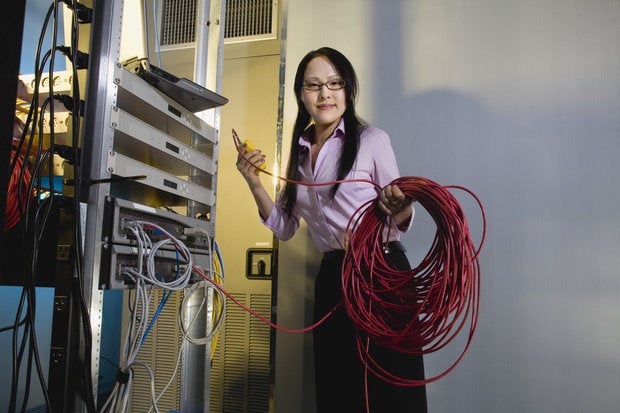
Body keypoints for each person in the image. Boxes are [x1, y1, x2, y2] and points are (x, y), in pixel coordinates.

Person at [236, 47, 428, 412]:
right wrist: (254, 184)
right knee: (338, 384)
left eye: (334, 83)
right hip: (334, 277)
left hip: (381, 273)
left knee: (391, 388)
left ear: (348, 90)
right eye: (313, 85)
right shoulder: (299, 150)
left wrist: (401, 207)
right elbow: (285, 227)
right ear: (301, 95)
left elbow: (400, 216)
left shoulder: (372, 141)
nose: (324, 93)